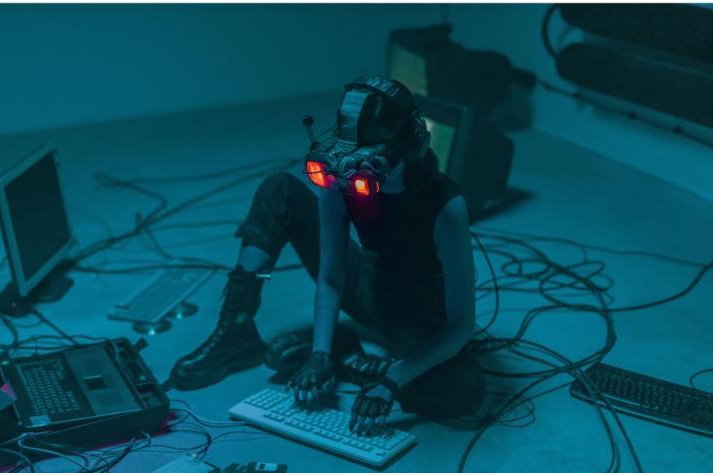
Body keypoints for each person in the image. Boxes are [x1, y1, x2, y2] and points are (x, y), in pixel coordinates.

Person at [169, 76, 484, 435]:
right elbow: (332, 278)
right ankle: (237, 331)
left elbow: (460, 325)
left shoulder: (445, 205)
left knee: (465, 393)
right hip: (368, 288)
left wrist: (391, 381)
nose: (352, 176)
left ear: (408, 145)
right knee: (280, 189)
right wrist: (318, 354)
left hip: (417, 323)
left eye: (368, 158)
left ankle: (359, 359)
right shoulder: (341, 176)